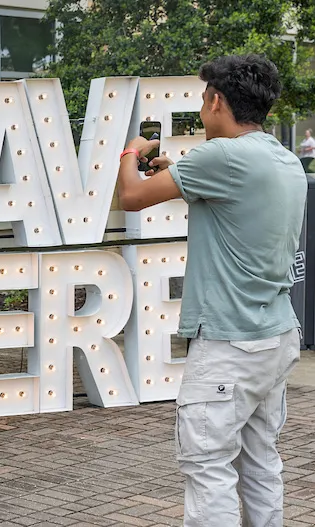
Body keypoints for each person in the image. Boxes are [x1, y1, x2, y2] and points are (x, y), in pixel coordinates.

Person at [116, 54, 305, 526]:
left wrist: (129, 153)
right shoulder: (284, 158)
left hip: (228, 343)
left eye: (204, 100)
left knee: (207, 465)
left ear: (217, 100)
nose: (203, 110)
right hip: (276, 334)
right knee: (260, 462)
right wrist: (175, 169)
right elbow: (233, 202)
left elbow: (132, 198)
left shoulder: (219, 157)